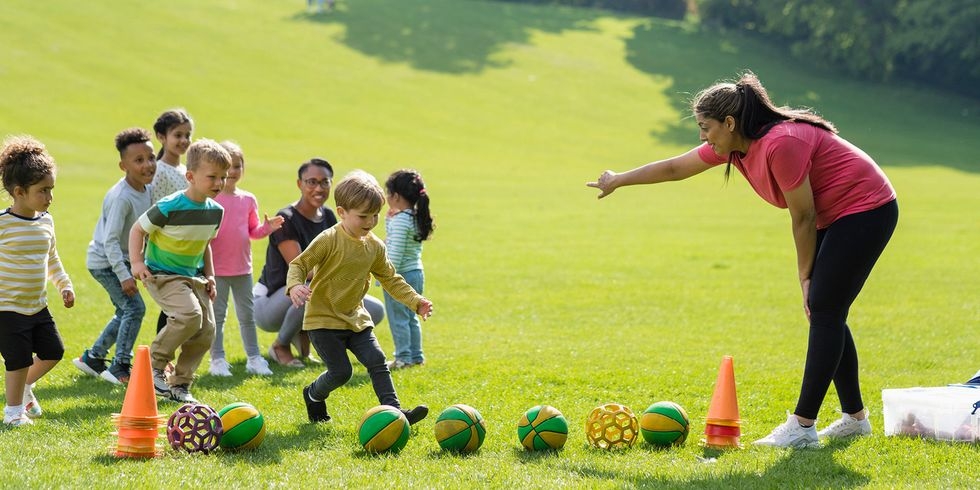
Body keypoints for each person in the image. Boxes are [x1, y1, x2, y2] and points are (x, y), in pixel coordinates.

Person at [587, 72, 898, 448]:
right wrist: (619, 179)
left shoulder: (781, 143)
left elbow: (802, 216)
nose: (703, 136)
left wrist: (805, 276)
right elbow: (675, 168)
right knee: (826, 309)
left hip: (866, 207)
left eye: (706, 128)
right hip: (833, 213)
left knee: (825, 308)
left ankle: (802, 426)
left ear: (730, 123)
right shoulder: (734, 147)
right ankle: (855, 419)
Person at [287, 170, 433, 424]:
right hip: (323, 320)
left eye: (375, 215)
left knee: (377, 360)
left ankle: (396, 413)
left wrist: (415, 301)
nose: (370, 221)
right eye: (363, 216)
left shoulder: (375, 246)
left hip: (356, 318)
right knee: (341, 372)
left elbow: (390, 278)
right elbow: (299, 264)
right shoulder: (329, 239)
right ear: (342, 212)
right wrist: (295, 286)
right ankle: (313, 394)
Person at [253, 158, 385, 367]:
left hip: (311, 290)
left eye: (325, 182)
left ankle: (314, 338)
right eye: (311, 182)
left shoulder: (329, 215)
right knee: (312, 290)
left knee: (375, 309)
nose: (318, 188)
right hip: (269, 302)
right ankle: (280, 345)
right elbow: (303, 270)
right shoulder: (286, 218)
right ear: (300, 184)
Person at [130, 138, 230, 403]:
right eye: (212, 177)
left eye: (223, 177)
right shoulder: (169, 206)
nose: (219, 183)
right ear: (190, 176)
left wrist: (211, 276)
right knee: (189, 315)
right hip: (162, 274)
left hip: (193, 276)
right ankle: (154, 366)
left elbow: (205, 245)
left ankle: (180, 384)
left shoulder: (216, 211)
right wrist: (137, 263)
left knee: (207, 329)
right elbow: (138, 229)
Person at [0, 136, 75, 426]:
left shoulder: (46, 221)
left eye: (51, 189)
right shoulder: (3, 224)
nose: (49, 197)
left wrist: (65, 285)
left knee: (53, 351)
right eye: (43, 191)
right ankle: (13, 413)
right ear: (19, 191)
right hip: (7, 307)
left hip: (37, 306)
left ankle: (24, 388)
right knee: (17, 360)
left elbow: (52, 258)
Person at [73, 128, 157, 385]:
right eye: (138, 160)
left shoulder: (145, 189)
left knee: (125, 311)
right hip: (105, 262)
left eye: (151, 157)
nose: (147, 165)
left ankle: (93, 358)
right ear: (123, 166)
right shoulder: (122, 197)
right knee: (134, 308)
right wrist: (124, 275)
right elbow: (110, 241)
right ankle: (120, 366)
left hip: (121, 260)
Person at [206, 141, 282, 377]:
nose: (232, 172)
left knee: (246, 316)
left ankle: (254, 358)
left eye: (237, 166)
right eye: (228, 167)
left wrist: (266, 228)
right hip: (217, 270)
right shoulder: (212, 200)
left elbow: (253, 231)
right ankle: (217, 360)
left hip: (242, 269)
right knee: (217, 317)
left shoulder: (248, 199)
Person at [382, 169, 435, 370]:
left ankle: (403, 358)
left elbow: (394, 252)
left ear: (395, 196)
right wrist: (389, 220)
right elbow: (396, 240)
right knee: (411, 316)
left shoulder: (400, 221)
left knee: (398, 319)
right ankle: (416, 356)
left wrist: (386, 277)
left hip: (399, 276)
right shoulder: (413, 216)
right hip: (416, 273)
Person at [151, 108, 194, 335]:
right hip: (168, 247)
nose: (184, 140)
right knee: (173, 307)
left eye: (187, 135)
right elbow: (155, 211)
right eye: (178, 135)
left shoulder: (186, 170)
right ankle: (162, 359)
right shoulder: (159, 171)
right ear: (161, 137)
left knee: (183, 306)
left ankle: (170, 358)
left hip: (187, 247)